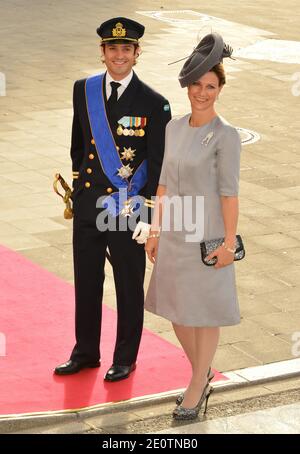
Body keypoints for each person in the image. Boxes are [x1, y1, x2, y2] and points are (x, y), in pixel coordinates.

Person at [55, 17, 171, 381]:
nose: (119, 55)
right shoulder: (83, 89)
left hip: (126, 209)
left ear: (137, 54)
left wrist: (149, 218)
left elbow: (158, 165)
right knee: (87, 282)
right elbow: (78, 146)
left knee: (127, 285)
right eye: (112, 48)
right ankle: (85, 352)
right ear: (102, 52)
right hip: (90, 205)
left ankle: (125, 357)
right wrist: (78, 191)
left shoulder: (155, 104)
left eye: (126, 49)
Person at [145, 33, 241, 419]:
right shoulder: (173, 127)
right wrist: (155, 230)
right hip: (175, 232)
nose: (203, 93)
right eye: (197, 85)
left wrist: (229, 243)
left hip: (209, 235)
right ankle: (202, 375)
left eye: (211, 87)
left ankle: (197, 384)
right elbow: (164, 182)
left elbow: (230, 194)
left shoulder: (226, 135)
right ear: (187, 86)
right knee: (178, 312)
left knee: (203, 312)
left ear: (220, 89)